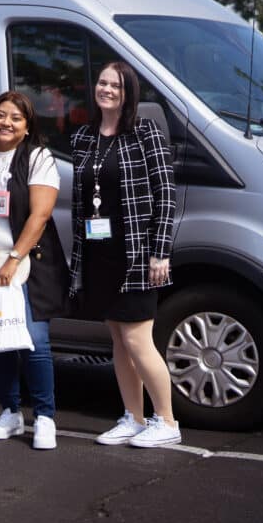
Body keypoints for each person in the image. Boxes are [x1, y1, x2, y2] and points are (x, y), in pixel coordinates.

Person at [70, 61, 178, 448]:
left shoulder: (145, 132)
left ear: (128, 92)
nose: (107, 89)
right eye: (102, 82)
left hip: (136, 254)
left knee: (137, 339)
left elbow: (166, 194)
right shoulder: (84, 137)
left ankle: (166, 420)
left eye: (116, 85)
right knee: (118, 339)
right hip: (98, 253)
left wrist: (159, 252)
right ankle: (132, 416)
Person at [0, 92, 69, 450]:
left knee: (33, 341)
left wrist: (14, 258)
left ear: (26, 127)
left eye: (15, 118)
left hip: (22, 267)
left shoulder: (38, 158)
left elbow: (39, 215)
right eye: (0, 115)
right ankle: (9, 412)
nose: (6, 122)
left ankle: (45, 416)